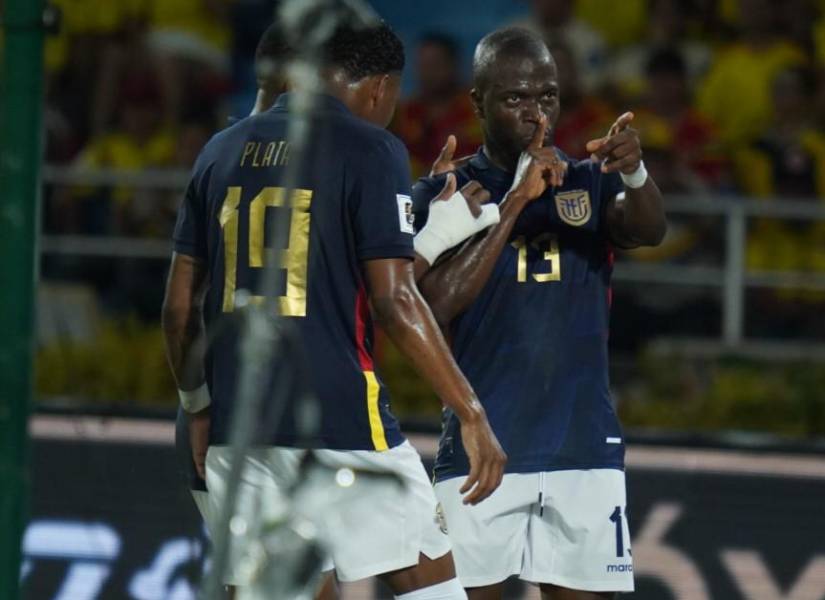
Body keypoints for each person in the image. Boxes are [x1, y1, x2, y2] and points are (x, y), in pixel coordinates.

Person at [163, 20, 510, 600]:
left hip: (238, 423)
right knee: (429, 581)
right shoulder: (371, 146)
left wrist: (196, 404)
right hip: (340, 417)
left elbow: (178, 310)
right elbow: (394, 299)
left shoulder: (218, 151)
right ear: (378, 87)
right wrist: (470, 412)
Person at [413, 27, 666, 599]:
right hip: (483, 447)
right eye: (515, 99)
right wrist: (514, 202)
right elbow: (434, 305)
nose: (535, 114)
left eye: (547, 96)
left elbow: (648, 229)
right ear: (477, 102)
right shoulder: (447, 192)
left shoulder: (584, 179)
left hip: (583, 445)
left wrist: (636, 173)